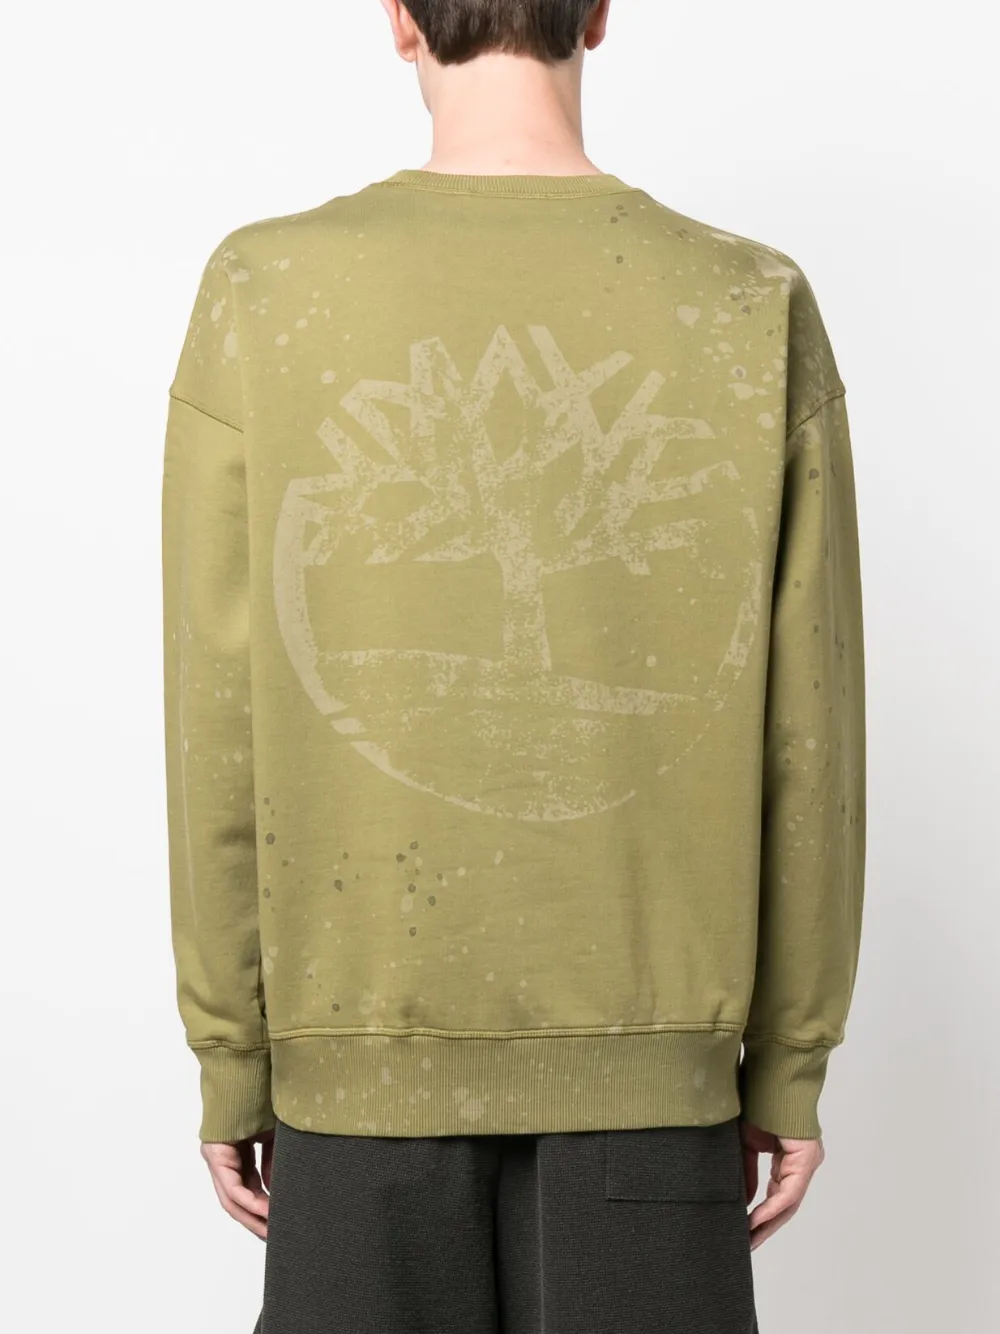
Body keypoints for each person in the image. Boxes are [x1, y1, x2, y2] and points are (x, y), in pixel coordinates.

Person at [159, 2, 866, 1330]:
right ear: (598, 14)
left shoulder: (267, 289)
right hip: (656, 1096)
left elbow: (218, 716)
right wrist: (789, 1060)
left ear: (399, 20)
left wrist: (232, 1052)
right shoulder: (746, 301)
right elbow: (811, 734)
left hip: (353, 1078)